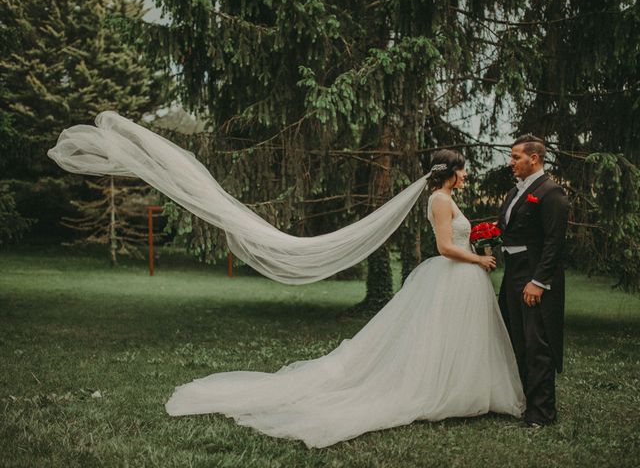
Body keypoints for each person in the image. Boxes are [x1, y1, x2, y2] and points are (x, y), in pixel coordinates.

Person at [165, 149, 525, 448]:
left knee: (459, 340)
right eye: (463, 171)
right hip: (453, 275)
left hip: (461, 280)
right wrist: (478, 257)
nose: (466, 176)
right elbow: (445, 246)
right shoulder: (440, 199)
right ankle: (448, 393)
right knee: (441, 339)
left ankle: (467, 391)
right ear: (452, 171)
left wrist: (478, 242)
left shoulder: (446, 198)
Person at [497, 135, 569, 428]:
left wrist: (538, 281)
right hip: (512, 273)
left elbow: (554, 242)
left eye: (516, 157)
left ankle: (542, 414)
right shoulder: (515, 192)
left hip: (534, 275)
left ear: (534, 159)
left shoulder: (551, 193)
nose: (511, 162)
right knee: (518, 339)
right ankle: (527, 402)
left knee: (537, 342)